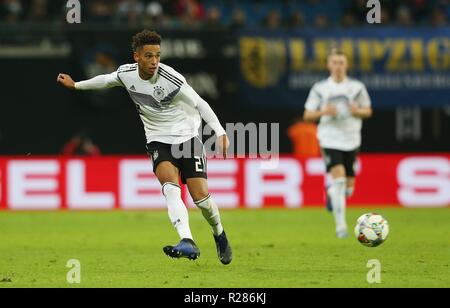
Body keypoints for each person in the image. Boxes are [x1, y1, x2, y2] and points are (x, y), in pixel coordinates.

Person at [57, 30, 232, 265]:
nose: (154, 61)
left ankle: (219, 233)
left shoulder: (172, 79)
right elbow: (106, 80)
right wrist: (76, 85)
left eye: (158, 56)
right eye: (149, 56)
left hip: (187, 138)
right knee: (170, 188)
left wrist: (220, 132)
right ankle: (187, 240)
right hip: (158, 140)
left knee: (201, 200)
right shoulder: (127, 74)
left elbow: (200, 103)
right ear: (137, 56)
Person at [303, 49, 373, 238]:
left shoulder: (357, 87)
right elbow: (307, 115)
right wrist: (323, 112)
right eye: (335, 62)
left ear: (347, 65)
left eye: (341, 62)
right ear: (328, 65)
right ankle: (341, 227)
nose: (338, 66)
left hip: (351, 139)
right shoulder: (320, 88)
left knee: (348, 190)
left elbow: (368, 111)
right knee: (340, 180)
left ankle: (330, 192)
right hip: (329, 137)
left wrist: (356, 110)